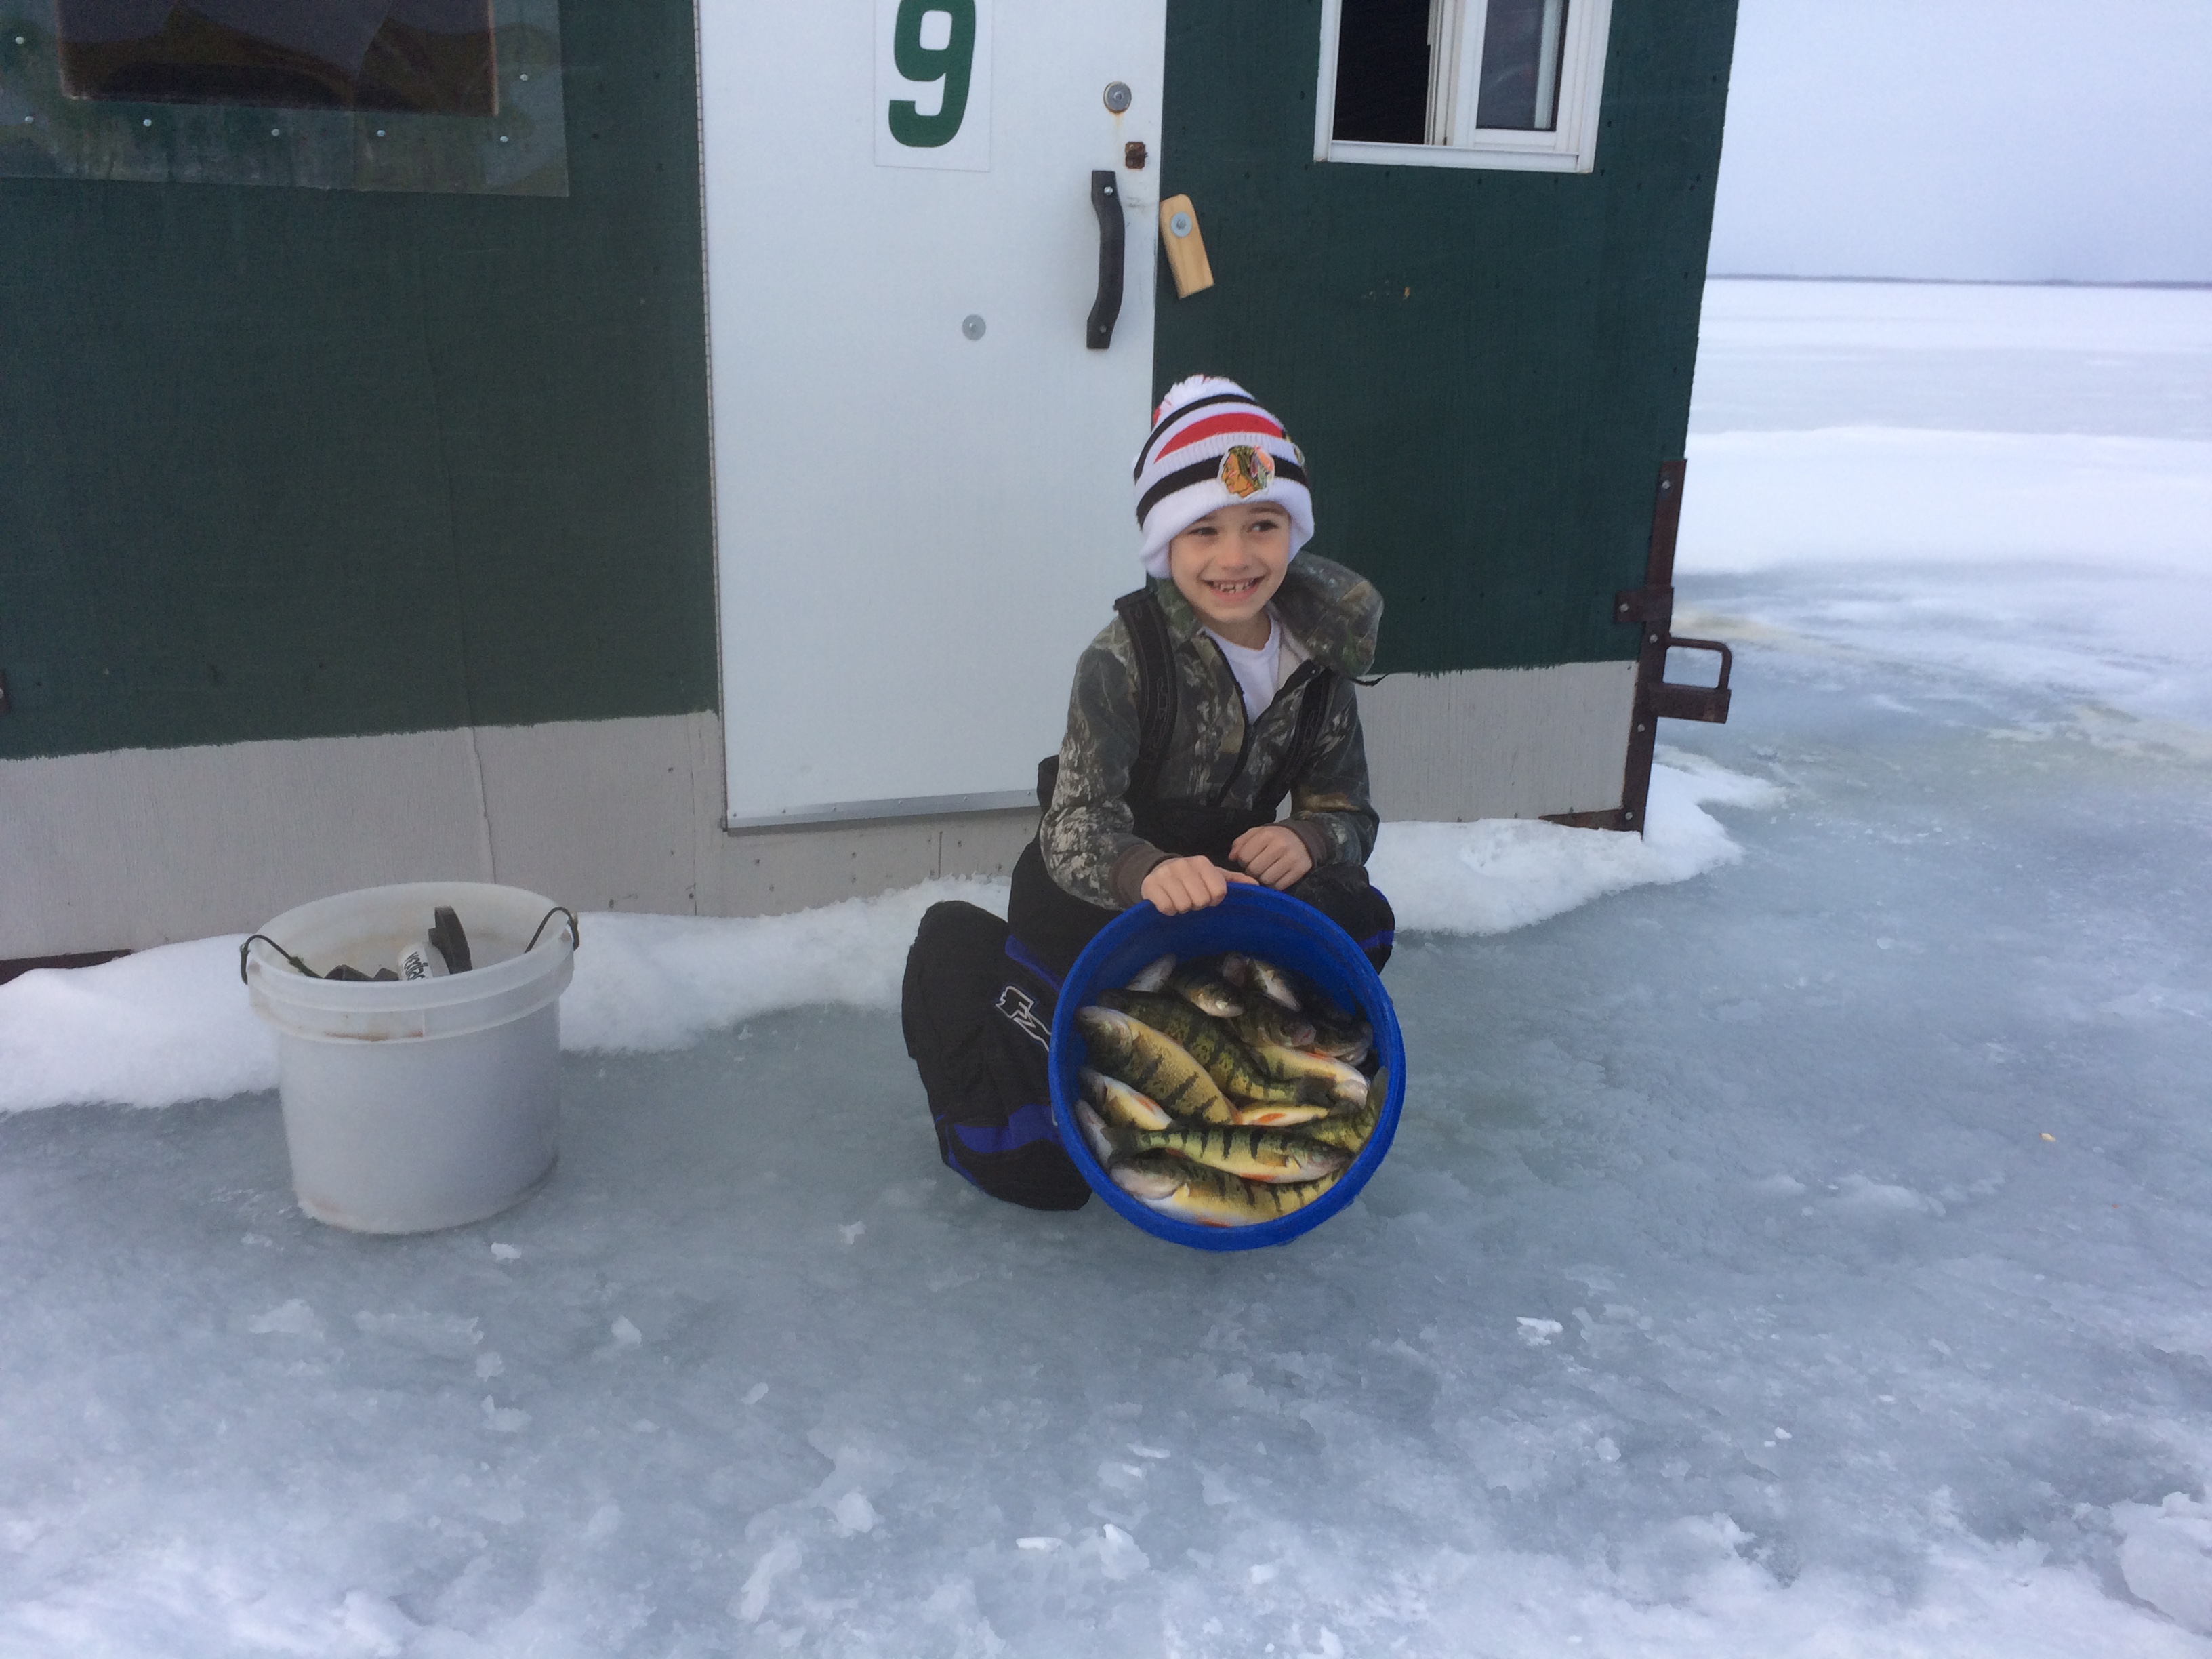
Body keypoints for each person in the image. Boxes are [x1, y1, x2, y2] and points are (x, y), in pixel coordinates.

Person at [901, 377, 1394, 1210]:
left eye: (1262, 526)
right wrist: (1144, 872)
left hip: (1218, 899)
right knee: (1038, 1174)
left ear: (1294, 532)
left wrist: (1311, 840)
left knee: (1360, 913)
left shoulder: (1320, 664)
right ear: (1165, 544)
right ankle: (970, 964)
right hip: (1091, 898)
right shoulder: (1120, 659)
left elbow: (1348, 813)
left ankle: (1249, 1066)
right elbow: (1075, 828)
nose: (1236, 558)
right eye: (1204, 530)